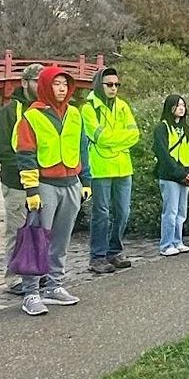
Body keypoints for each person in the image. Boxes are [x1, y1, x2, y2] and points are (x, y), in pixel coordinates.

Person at [13, 66, 89, 317]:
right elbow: (25, 155)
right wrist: (31, 189)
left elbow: (82, 149)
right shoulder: (32, 117)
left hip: (71, 183)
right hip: (45, 184)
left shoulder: (75, 114)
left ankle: (55, 285)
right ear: (46, 86)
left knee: (61, 240)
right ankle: (31, 292)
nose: (62, 89)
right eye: (56, 84)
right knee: (37, 239)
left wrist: (85, 180)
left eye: (65, 85)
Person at [0, 63, 44, 295]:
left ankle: (38, 271)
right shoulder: (9, 112)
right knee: (18, 229)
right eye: (36, 81)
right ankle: (14, 277)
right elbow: (1, 150)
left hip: (45, 181)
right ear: (24, 83)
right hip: (16, 182)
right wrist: (26, 168)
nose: (41, 86)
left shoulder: (48, 110)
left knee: (40, 229)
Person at [82, 67, 139, 275]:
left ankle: (114, 251)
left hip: (124, 167)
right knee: (102, 214)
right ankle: (97, 256)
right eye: (110, 84)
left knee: (123, 212)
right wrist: (118, 141)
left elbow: (134, 134)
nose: (114, 88)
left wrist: (112, 142)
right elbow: (99, 136)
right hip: (100, 169)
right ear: (100, 84)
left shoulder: (123, 106)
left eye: (117, 84)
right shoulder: (89, 108)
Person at [153, 94, 189, 256]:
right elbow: (163, 154)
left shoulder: (186, 128)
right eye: (178, 105)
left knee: (181, 211)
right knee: (170, 211)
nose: (181, 108)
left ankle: (178, 240)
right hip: (170, 175)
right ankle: (166, 244)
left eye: (183, 105)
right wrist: (179, 173)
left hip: (185, 175)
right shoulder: (162, 127)